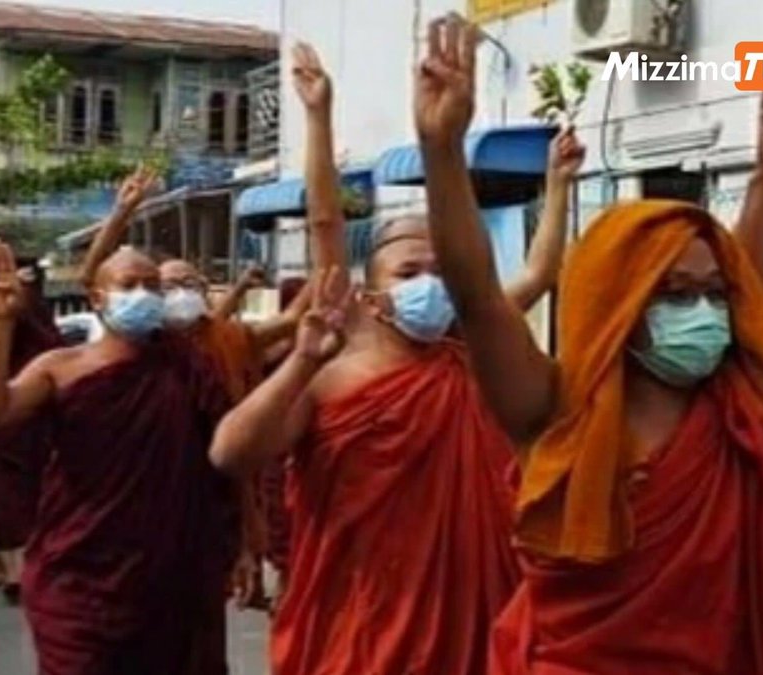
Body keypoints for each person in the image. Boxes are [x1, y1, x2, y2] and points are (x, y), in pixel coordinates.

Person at [410, 15, 763, 673]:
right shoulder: (556, 407)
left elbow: (749, 293)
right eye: (673, 294)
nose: (700, 311)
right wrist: (441, 150)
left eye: (710, 294)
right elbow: (477, 296)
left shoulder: (748, 411)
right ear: (618, 305)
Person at [207, 41, 579, 675]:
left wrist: (558, 183)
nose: (431, 282)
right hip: (365, 615)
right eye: (411, 270)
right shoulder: (337, 358)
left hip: (477, 603)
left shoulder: (474, 344)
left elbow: (541, 272)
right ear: (373, 290)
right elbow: (230, 453)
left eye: (442, 270)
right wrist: (320, 117)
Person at [0, 240, 236, 674]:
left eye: (153, 286)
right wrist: (1, 323)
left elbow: (226, 455)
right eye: (129, 284)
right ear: (97, 298)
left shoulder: (187, 365)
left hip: (174, 572)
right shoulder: (61, 366)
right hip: (81, 571)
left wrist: (245, 537)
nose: (144, 296)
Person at [81, 170, 311, 609]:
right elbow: (94, 277)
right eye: (165, 287)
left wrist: (327, 245)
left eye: (190, 284)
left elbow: (291, 322)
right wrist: (122, 213)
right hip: (126, 500)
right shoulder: (135, 342)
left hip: (204, 494)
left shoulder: (225, 338)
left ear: (205, 291)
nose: (178, 293)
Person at [0, 263, 63, 604]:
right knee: (1, 497)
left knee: (35, 495)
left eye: (26, 280)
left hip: (38, 427)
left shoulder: (46, 336)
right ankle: (14, 570)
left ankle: (31, 560)